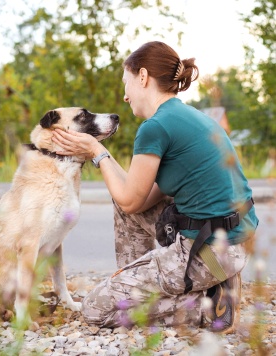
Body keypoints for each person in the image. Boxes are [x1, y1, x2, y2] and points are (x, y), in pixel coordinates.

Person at [52, 41, 258, 333]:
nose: (124, 96)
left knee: (95, 309)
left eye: (126, 83)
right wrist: (98, 152)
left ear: (143, 77)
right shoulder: (186, 116)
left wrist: (96, 151)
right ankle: (135, 282)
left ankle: (208, 306)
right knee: (121, 201)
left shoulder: (156, 127)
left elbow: (131, 200)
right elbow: (135, 197)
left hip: (209, 253)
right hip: (226, 244)